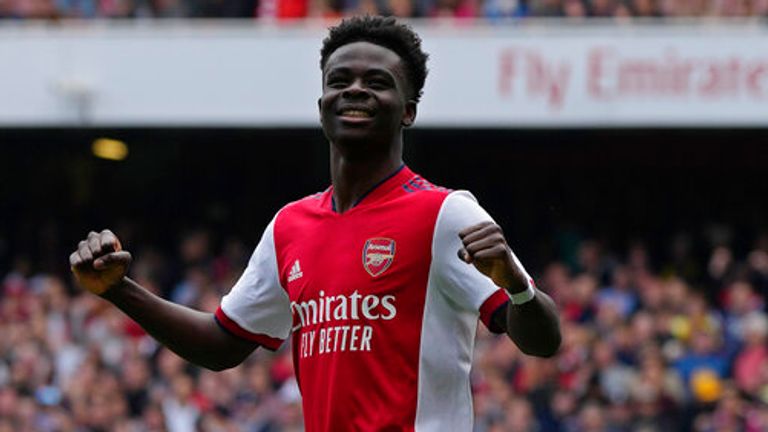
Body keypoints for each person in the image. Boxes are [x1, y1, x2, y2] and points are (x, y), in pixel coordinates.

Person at [69, 15, 561, 431]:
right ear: (321, 106)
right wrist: (118, 290)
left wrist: (516, 286)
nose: (355, 90)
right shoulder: (290, 227)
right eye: (340, 80)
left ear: (408, 111)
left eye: (378, 82)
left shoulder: (444, 213)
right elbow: (222, 344)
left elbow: (544, 340)